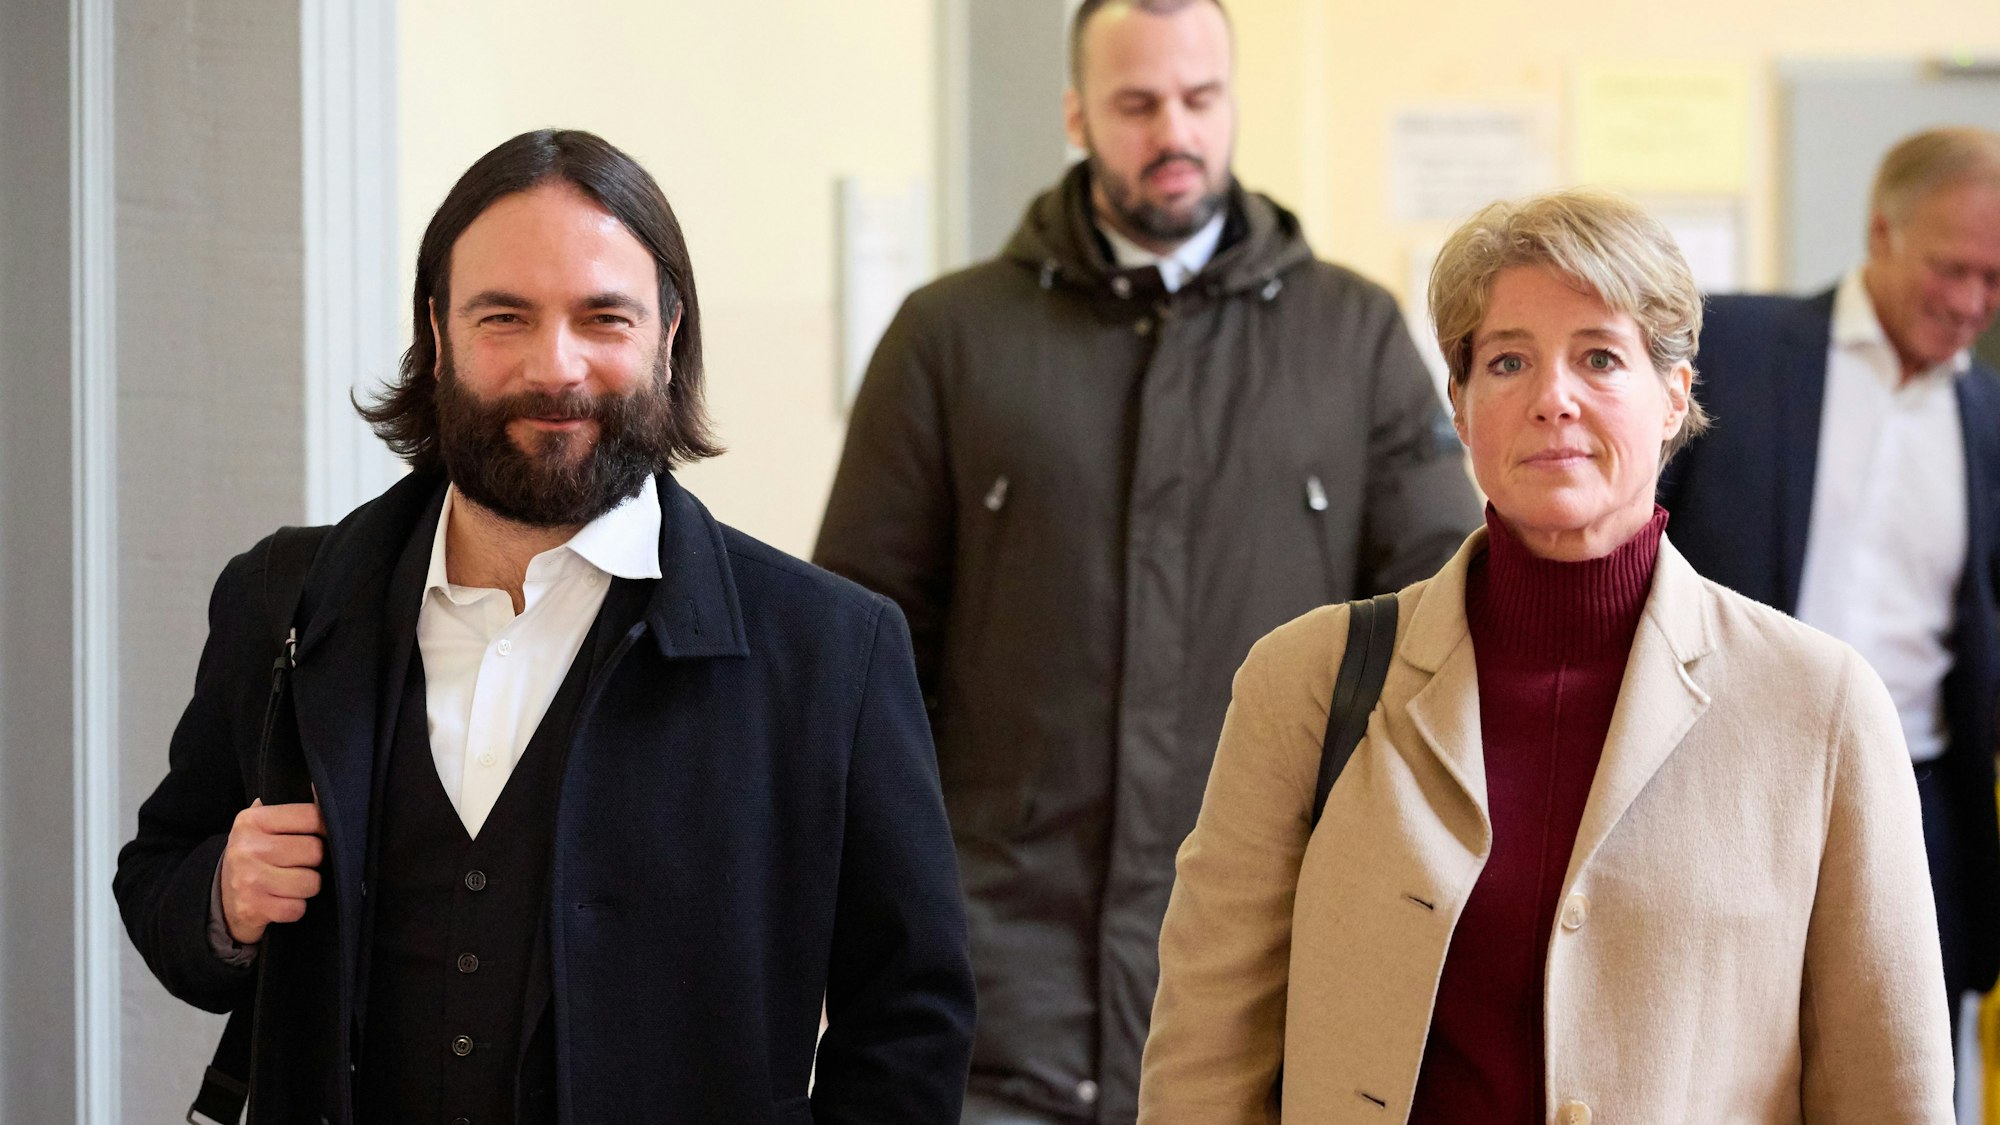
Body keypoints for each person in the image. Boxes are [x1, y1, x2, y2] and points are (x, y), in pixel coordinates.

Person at [114, 129, 975, 1125]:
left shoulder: (831, 654)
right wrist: (223, 899)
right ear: (436, 334)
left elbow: (909, 1020)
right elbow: (160, 883)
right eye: (503, 316)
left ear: (667, 333)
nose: (553, 365)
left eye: (602, 317)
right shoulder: (284, 600)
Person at [1138, 191, 1955, 1123]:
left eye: (1600, 358)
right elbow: (1203, 1062)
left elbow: (1892, 1092)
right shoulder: (1307, 683)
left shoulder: (1822, 706)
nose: (1552, 397)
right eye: (1508, 360)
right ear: (1461, 404)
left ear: (1675, 395)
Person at [813, 1, 1478, 1120]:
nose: (1173, 131)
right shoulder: (947, 339)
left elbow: (1439, 646)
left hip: (1263, 985)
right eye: (1135, 104)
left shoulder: (1352, 339)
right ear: (1076, 113)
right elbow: (856, 677)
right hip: (999, 1002)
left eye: (1198, 99)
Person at [1658, 125, 2000, 1049]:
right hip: (1717, 784)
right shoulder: (1733, 346)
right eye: (1951, 268)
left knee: (1894, 1067)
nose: (1972, 302)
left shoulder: (1987, 416)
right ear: (1882, 232)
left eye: (1996, 278)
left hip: (1916, 805)